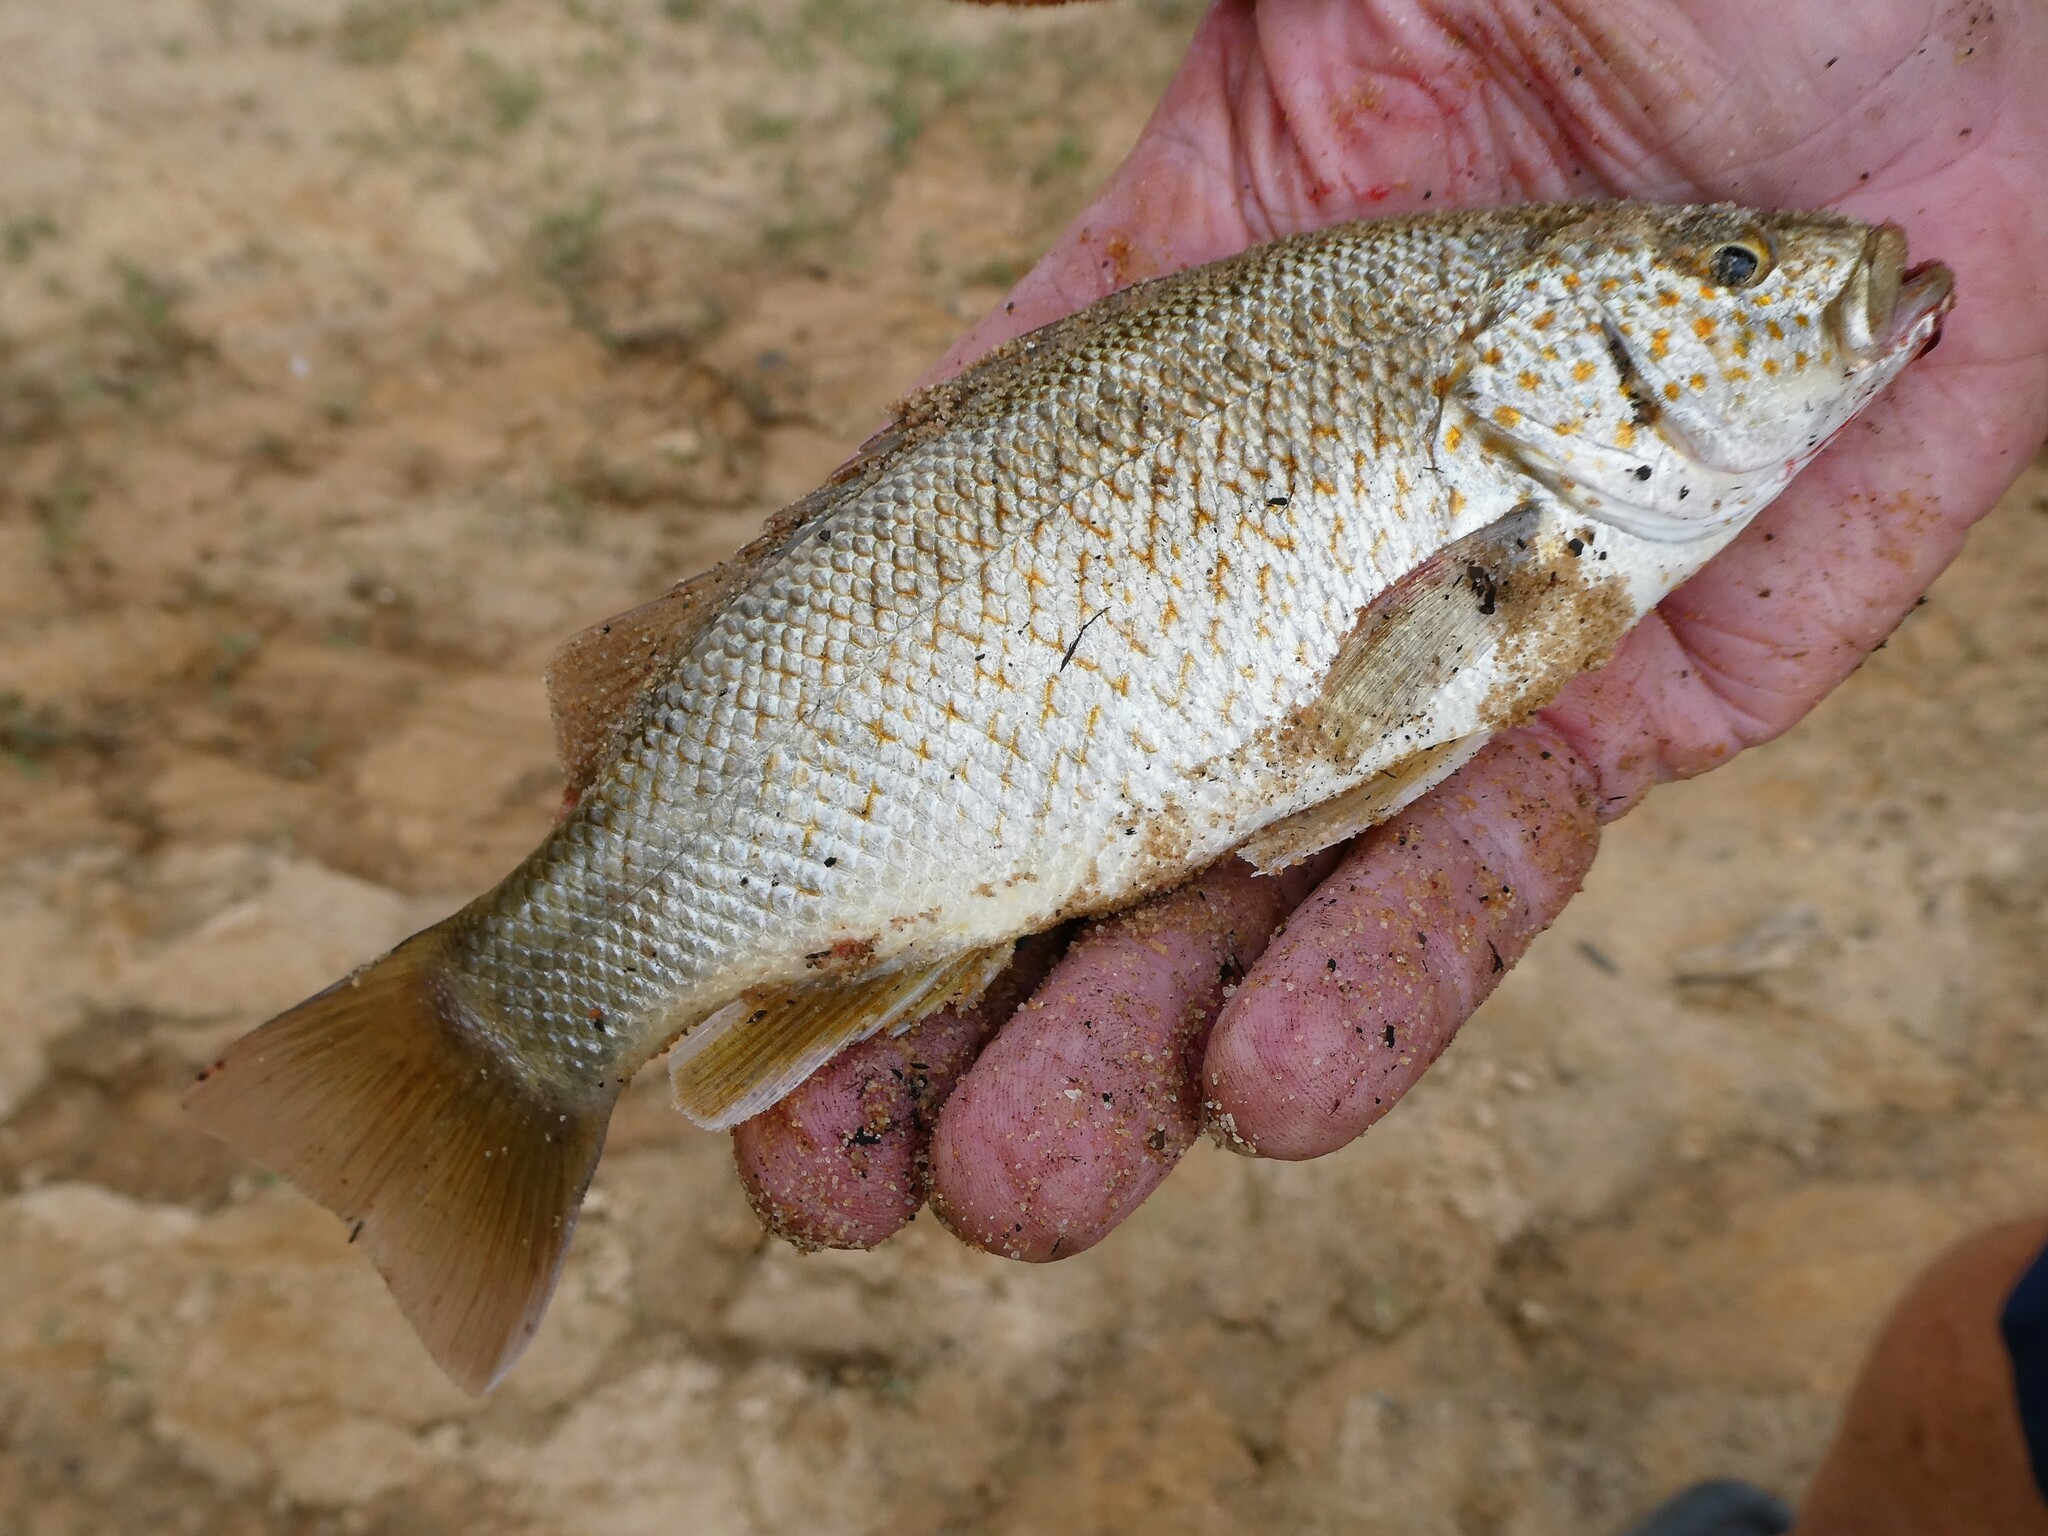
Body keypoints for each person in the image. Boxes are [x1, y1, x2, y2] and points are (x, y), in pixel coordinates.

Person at [730, 1, 2048, 1525]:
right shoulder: (1541, 491)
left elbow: (1389, 705)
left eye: (1733, 266)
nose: (1795, 277)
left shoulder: (1565, 497)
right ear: (1537, 358)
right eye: (1736, 273)